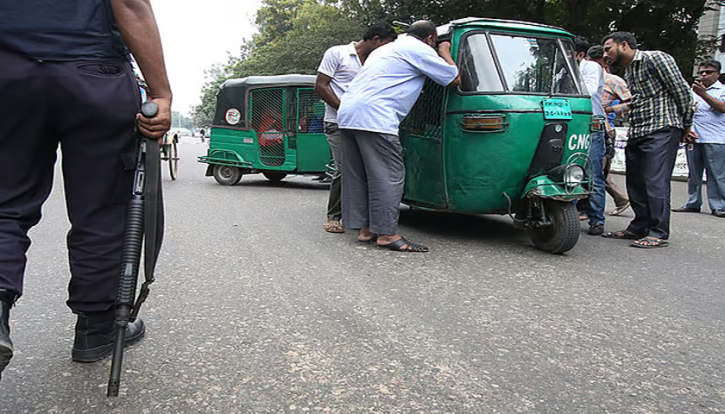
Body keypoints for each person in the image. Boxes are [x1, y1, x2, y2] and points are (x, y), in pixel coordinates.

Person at [0, 0, 172, 379]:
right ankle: (95, 330)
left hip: (10, 71)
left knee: (4, 205)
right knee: (102, 209)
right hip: (93, 70)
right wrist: (160, 93)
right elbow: (129, 3)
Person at [337, 20, 461, 252]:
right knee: (389, 175)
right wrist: (444, 52)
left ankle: (366, 229)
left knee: (359, 175)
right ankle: (386, 234)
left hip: (348, 114)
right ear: (430, 38)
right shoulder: (420, 49)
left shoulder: (385, 48)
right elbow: (453, 79)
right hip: (376, 117)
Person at [601, 32, 694, 248]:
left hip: (662, 128)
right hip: (639, 130)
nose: (605, 54)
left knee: (655, 181)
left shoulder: (656, 58)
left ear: (624, 45)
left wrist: (686, 125)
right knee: (636, 181)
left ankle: (658, 232)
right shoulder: (630, 70)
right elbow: (639, 99)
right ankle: (639, 226)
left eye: (608, 49)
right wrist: (612, 108)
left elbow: (682, 92)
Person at [315, 23, 398, 234]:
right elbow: (321, 86)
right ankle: (333, 216)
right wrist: (344, 110)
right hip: (336, 122)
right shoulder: (338, 53)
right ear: (376, 39)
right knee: (344, 169)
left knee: (366, 170)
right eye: (385, 44)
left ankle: (363, 219)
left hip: (364, 123)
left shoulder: (377, 61)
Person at [672, 60, 725, 217]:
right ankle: (693, 202)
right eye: (701, 72)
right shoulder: (692, 91)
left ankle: (719, 205)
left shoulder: (721, 90)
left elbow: (722, 108)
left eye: (708, 72)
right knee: (694, 174)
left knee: (716, 174)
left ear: (717, 74)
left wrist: (704, 94)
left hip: (716, 138)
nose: (703, 75)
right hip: (694, 138)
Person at [586, 45, 631, 216]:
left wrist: (611, 109)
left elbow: (631, 103)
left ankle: (618, 201)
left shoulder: (614, 81)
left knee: (597, 172)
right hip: (584, 126)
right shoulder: (581, 77)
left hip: (604, 128)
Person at [574, 37, 607, 236]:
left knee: (593, 173)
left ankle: (597, 219)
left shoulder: (591, 68)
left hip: (591, 124)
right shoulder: (562, 70)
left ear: (579, 54)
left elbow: (588, 91)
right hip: (572, 123)